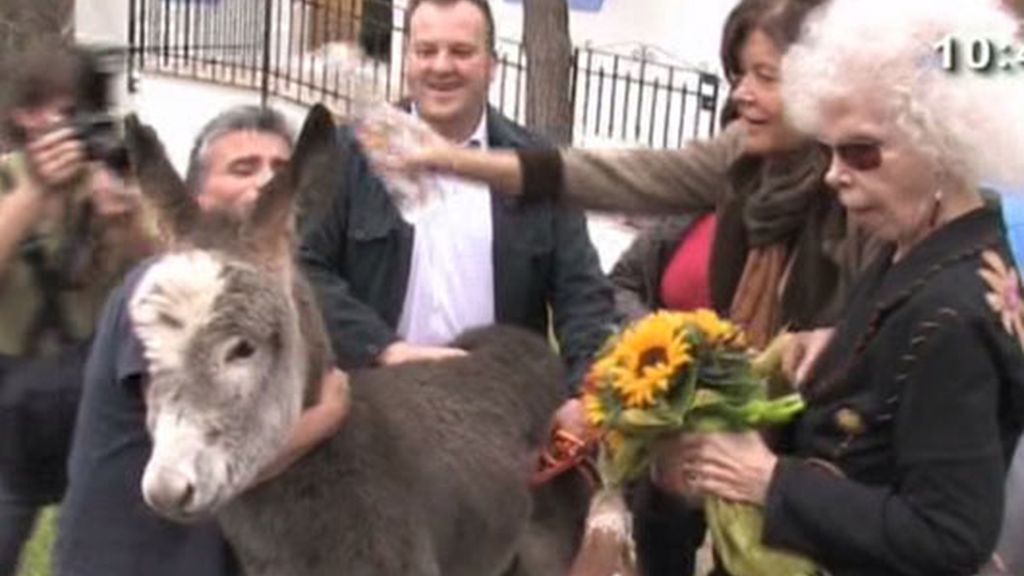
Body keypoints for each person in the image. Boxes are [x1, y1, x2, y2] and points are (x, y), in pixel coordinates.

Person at [373, 1, 872, 573]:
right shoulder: (743, 159)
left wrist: (841, 335)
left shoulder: (864, 187)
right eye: (738, 74)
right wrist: (460, 163)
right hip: (716, 453)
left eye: (764, 76)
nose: (741, 94)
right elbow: (620, 177)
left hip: (819, 467)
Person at [652, 0, 1024, 574]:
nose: (833, 175)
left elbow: (948, 536)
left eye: (861, 152)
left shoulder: (954, 313)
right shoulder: (919, 249)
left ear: (943, 143)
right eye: (829, 150)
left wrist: (769, 480)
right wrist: (841, 347)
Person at [299, 0, 616, 438]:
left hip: (497, 424)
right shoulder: (347, 155)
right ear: (407, 59)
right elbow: (303, 269)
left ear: (492, 65)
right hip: (372, 417)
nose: (441, 67)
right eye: (425, 51)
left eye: (461, 52)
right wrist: (387, 349)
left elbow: (583, 296)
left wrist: (585, 396)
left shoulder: (536, 167)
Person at [56, 105, 349, 576]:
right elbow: (196, 464)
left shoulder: (269, 295)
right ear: (198, 193)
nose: (265, 184)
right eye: (243, 168)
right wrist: (326, 417)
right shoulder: (173, 289)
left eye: (279, 170)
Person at [0, 43, 156, 576]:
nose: (76, 129)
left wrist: (128, 220)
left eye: (86, 112)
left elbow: (165, 270)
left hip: (92, 394)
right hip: (11, 402)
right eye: (64, 114)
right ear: (26, 114)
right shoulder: (6, 178)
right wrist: (35, 195)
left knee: (93, 550)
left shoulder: (113, 179)